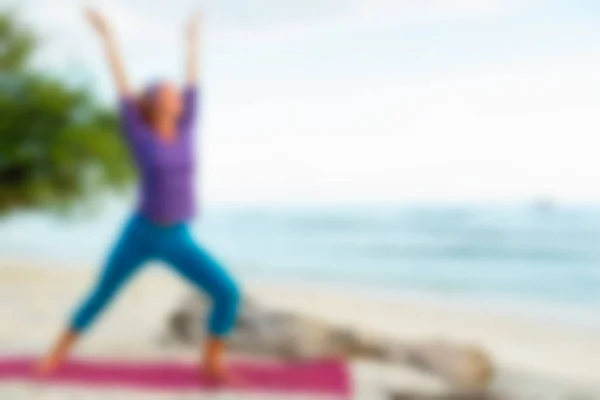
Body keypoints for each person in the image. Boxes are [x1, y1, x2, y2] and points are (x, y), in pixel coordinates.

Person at [36, 8, 241, 382]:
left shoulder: (187, 128)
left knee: (227, 292)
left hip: (178, 236)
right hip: (141, 232)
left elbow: (194, 80)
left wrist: (191, 40)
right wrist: (107, 36)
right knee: (102, 294)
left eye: (179, 94)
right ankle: (55, 355)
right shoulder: (139, 133)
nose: (179, 95)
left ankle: (212, 364)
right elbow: (123, 85)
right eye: (171, 92)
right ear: (156, 103)